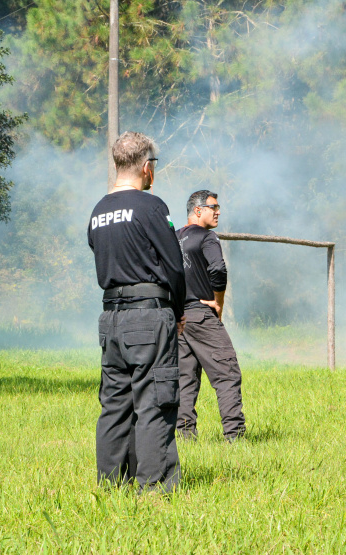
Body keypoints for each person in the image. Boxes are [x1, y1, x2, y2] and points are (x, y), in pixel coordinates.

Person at [87, 131, 186, 493]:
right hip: (148, 316)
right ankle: (153, 488)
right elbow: (174, 265)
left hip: (110, 319)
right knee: (154, 401)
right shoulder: (151, 206)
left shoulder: (98, 211)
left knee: (114, 403)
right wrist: (177, 311)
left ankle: (110, 487)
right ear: (147, 168)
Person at [175, 190, 246, 442]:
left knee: (185, 380)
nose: (218, 211)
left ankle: (184, 437)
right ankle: (234, 437)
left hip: (179, 320)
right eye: (213, 207)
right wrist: (218, 302)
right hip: (202, 316)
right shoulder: (207, 237)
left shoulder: (172, 239)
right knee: (227, 374)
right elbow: (218, 268)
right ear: (197, 210)